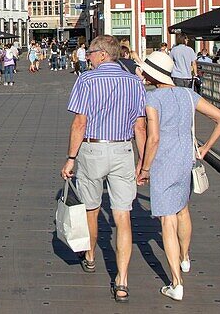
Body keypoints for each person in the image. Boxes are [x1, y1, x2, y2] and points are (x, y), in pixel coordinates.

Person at [61, 35, 148, 303]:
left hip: (93, 149)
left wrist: (70, 158)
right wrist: (143, 163)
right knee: (123, 216)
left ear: (101, 54)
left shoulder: (87, 80)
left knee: (92, 208)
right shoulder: (135, 82)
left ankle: (89, 255)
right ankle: (121, 280)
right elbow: (140, 127)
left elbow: (79, 123)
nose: (87, 56)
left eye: (90, 53)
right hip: (123, 149)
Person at [137, 50, 220, 302]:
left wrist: (144, 169)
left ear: (151, 75)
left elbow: (153, 138)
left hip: (164, 162)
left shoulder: (151, 98)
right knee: (183, 210)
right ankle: (185, 257)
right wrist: (205, 148)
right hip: (186, 159)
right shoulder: (189, 94)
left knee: (167, 220)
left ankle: (175, 283)